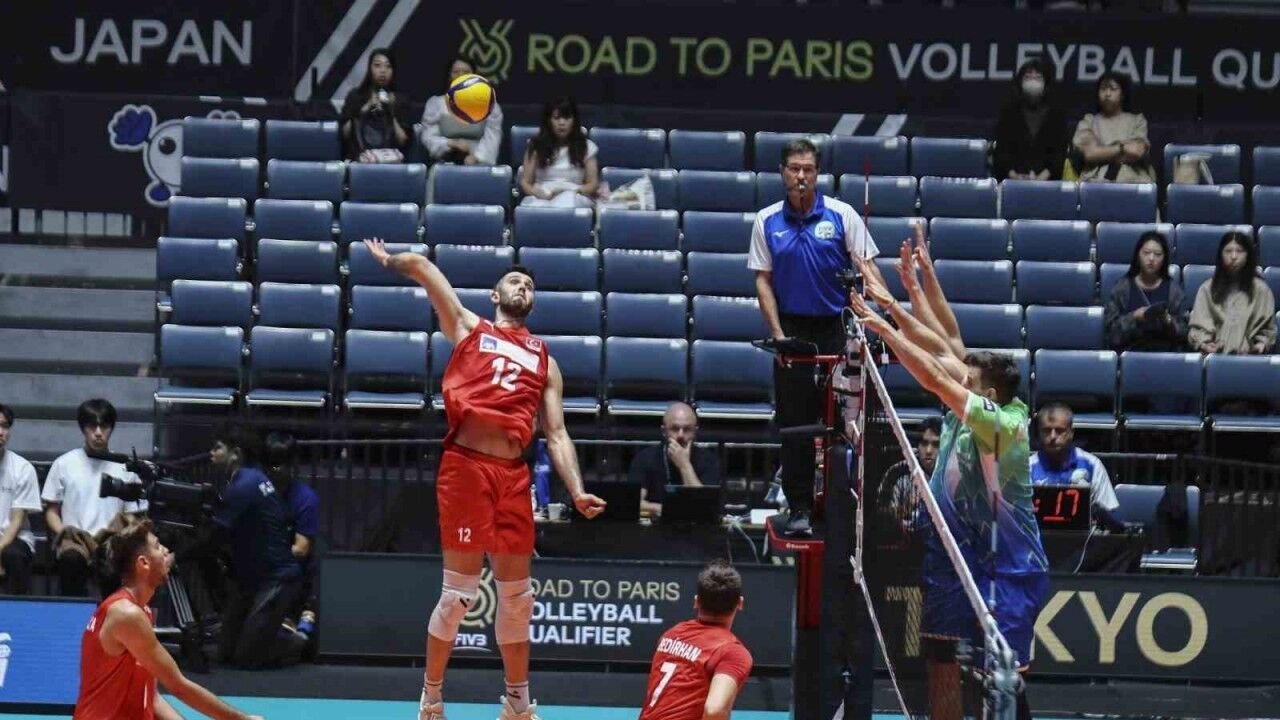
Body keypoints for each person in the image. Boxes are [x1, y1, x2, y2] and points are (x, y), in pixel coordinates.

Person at [362, 238, 607, 720]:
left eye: (530, 285)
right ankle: (432, 698)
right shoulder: (468, 327)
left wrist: (576, 490)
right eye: (515, 281)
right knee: (458, 596)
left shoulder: (544, 359)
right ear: (496, 295)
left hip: (512, 477)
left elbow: (556, 433)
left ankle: (517, 703)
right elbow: (425, 269)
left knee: (518, 600)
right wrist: (391, 260)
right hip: (466, 468)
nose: (523, 287)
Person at [849, 228, 1046, 720]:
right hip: (961, 550)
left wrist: (883, 327)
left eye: (969, 378)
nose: (961, 374)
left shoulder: (1001, 425)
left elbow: (937, 374)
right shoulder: (977, 396)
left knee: (1002, 679)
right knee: (946, 657)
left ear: (988, 395)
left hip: (1010, 566)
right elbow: (944, 340)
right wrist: (905, 294)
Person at [748, 137, 878, 536]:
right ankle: (800, 508)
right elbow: (763, 281)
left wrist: (876, 317)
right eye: (794, 169)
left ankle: (844, 506)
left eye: (808, 169)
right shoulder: (766, 220)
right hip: (793, 332)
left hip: (837, 330)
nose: (801, 176)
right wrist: (778, 335)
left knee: (845, 425)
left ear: (817, 173)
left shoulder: (842, 214)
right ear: (782, 173)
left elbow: (868, 269)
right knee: (796, 426)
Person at [75, 518, 262, 720]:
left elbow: (151, 696)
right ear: (143, 563)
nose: (166, 551)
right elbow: (178, 686)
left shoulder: (141, 610)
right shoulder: (126, 615)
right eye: (157, 546)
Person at [206, 424, 306, 669]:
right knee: (224, 653)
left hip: (276, 579)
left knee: (247, 658)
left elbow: (215, 534)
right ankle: (265, 633)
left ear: (235, 454)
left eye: (217, 448)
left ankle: (297, 641)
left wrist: (179, 555)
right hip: (252, 579)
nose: (211, 453)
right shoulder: (253, 478)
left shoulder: (244, 485)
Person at [42, 399, 147, 596]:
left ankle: (112, 612)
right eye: (92, 426)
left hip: (112, 539)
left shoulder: (125, 467)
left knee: (115, 565)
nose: (98, 432)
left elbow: (132, 516)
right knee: (71, 560)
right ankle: (74, 613)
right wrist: (64, 532)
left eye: (104, 426)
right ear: (83, 428)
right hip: (75, 539)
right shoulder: (64, 464)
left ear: (111, 429)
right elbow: (51, 511)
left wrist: (125, 536)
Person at [637, 560, 753, 720]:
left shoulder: (671, 634)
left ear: (696, 601)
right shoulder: (733, 652)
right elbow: (715, 710)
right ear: (740, 603)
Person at [263, 432, 321, 651]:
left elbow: (301, 549)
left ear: (292, 465)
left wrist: (263, 552)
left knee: (296, 640)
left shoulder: (306, 499)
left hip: (294, 577)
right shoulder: (261, 493)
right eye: (269, 465)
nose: (273, 471)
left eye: (279, 465)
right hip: (263, 575)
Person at [1030, 403, 1122, 531]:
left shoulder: (1092, 464)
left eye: (1059, 431)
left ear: (1071, 433)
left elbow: (1107, 513)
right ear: (1039, 433)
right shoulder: (1027, 467)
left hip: (1084, 540)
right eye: (1046, 430)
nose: (1052, 436)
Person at [1188, 231, 1276, 355]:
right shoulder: (1207, 289)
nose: (1234, 256)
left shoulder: (1262, 290)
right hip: (1214, 357)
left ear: (1248, 256)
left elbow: (1267, 330)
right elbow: (1198, 328)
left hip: (1251, 357)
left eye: (1240, 251)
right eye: (1228, 251)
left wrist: (1261, 344)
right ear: (1221, 255)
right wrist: (1205, 344)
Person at [628, 402, 723, 518]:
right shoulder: (645, 458)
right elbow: (633, 502)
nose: (680, 435)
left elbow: (705, 507)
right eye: (674, 429)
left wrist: (684, 465)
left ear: (695, 432)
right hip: (657, 525)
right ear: (664, 431)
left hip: (695, 526)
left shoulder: (709, 461)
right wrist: (665, 509)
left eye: (687, 429)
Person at [1104, 231, 1187, 352]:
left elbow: (1185, 333)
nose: (1151, 258)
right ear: (1138, 255)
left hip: (1165, 356)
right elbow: (1111, 333)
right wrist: (1134, 317)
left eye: (1158, 254)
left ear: (1164, 259)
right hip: (1130, 354)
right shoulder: (1122, 288)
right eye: (1146, 253)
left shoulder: (1174, 291)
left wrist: (1168, 321)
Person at [992, 59, 1068, 182]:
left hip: (1048, 183)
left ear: (1046, 83)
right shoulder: (1009, 113)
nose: (1033, 81)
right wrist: (1013, 175)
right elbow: (1001, 150)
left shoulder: (1056, 115)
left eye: (1038, 78)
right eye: (1028, 77)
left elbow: (1060, 153)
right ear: (1020, 82)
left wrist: (1042, 177)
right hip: (1012, 182)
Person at [1071, 72, 1154, 183]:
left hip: (1132, 181)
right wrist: (1122, 148)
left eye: (1113, 89)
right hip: (1094, 181)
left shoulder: (1137, 121)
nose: (1107, 94)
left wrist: (1101, 152)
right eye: (1103, 89)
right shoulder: (1089, 121)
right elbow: (1090, 154)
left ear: (1123, 94)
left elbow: (1136, 151)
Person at [420, 56, 504, 167]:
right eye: (456, 72)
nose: (461, 76)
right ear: (449, 76)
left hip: (478, 161)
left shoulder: (489, 104)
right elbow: (428, 136)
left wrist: (477, 157)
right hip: (443, 161)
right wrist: (451, 144)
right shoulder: (435, 104)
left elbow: (493, 136)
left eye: (466, 72)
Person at [518, 96, 599, 209]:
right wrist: (538, 193)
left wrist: (575, 191)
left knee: (568, 203)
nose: (562, 123)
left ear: (574, 120)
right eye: (556, 118)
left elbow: (592, 184)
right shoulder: (536, 146)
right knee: (535, 208)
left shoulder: (587, 147)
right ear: (548, 121)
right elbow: (526, 182)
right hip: (542, 195)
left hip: (574, 194)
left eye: (567, 118)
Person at [340, 48, 413, 163]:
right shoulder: (355, 96)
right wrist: (365, 109)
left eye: (388, 66)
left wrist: (390, 111)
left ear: (393, 71)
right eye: (377, 65)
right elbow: (344, 135)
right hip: (359, 158)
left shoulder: (400, 100)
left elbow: (403, 141)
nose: (383, 71)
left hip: (390, 160)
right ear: (369, 69)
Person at [0, 403, 40, 595]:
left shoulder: (22, 468)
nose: (1, 432)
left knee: (13, 554)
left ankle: (15, 612)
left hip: (14, 538)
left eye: (5, 426)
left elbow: (16, 521)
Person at [878, 416, 942, 525]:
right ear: (918, 445)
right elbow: (881, 515)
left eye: (936, 445)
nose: (929, 450)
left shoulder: (953, 475)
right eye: (924, 443)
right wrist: (907, 507)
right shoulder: (896, 472)